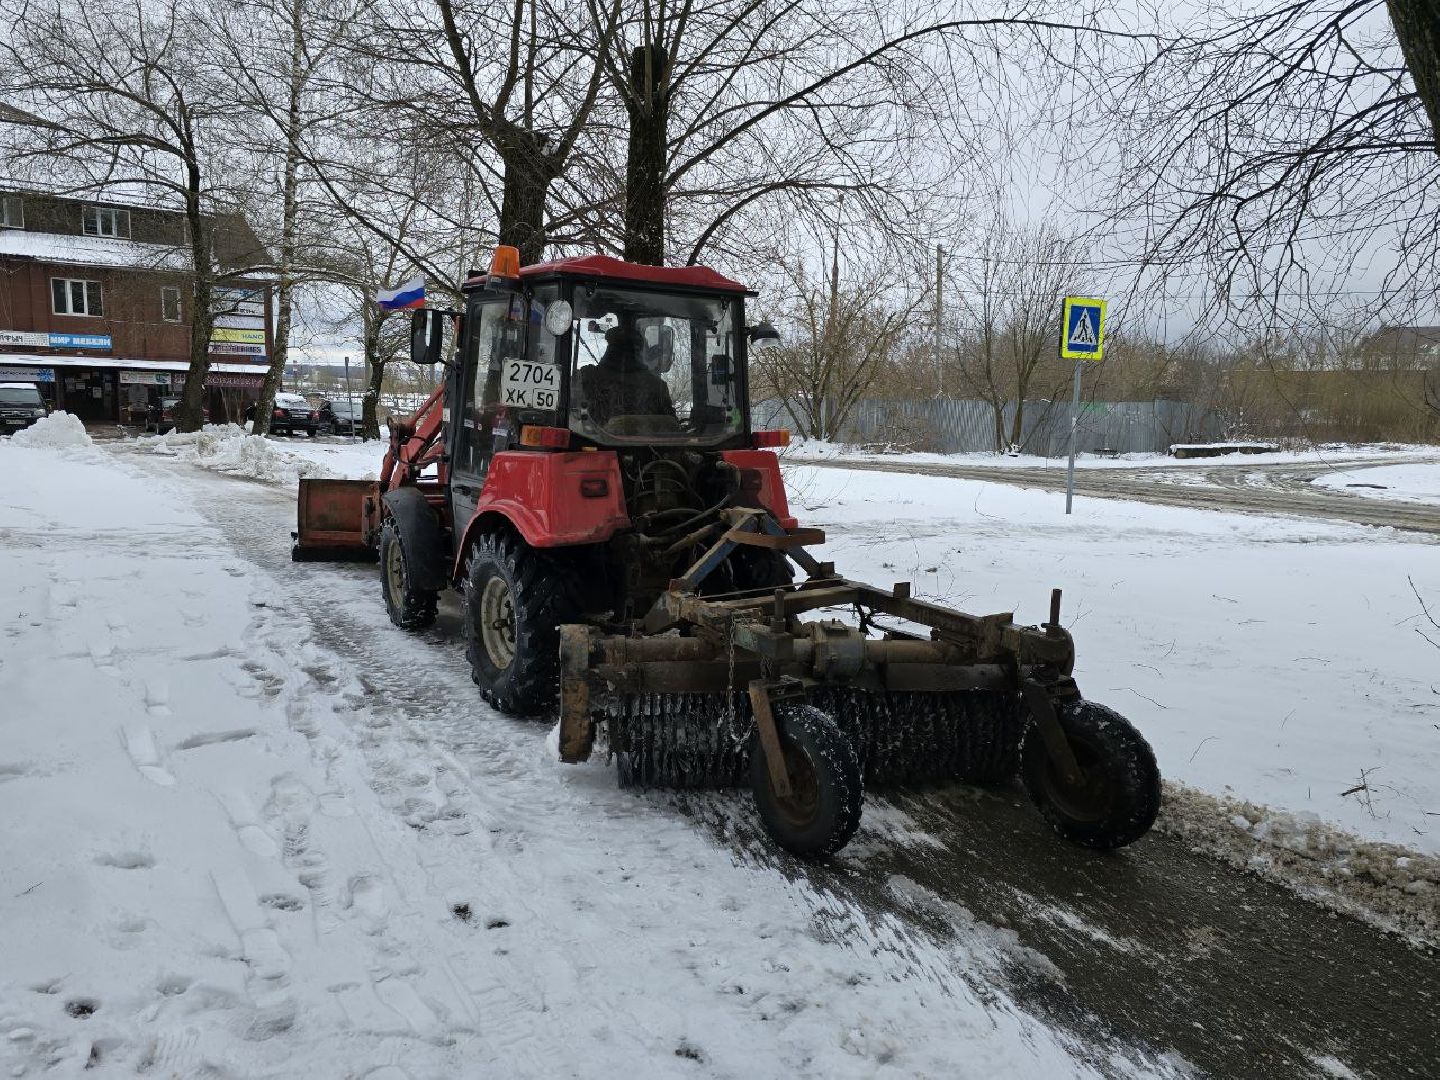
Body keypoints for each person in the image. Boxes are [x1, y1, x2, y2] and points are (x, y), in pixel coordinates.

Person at [578, 324, 675, 426]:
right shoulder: (657, 386)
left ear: (610, 348)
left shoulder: (587, 377)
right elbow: (671, 426)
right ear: (640, 352)